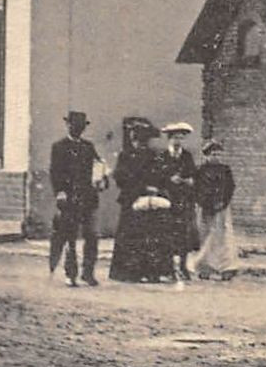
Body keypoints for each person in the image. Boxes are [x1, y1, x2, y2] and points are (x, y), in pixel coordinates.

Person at [108, 118, 174, 283]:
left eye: (142, 140)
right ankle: (128, 272)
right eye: (137, 139)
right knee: (130, 236)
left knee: (149, 236)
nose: (139, 143)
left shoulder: (153, 155)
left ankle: (149, 271)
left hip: (148, 201)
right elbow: (120, 177)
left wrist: (155, 187)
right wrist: (141, 188)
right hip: (131, 199)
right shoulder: (125, 155)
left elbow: (160, 176)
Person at [48, 111, 107, 287]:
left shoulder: (88, 147)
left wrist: (102, 180)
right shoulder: (59, 147)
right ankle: (70, 274)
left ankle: (88, 273)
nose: (78, 129)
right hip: (69, 199)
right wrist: (60, 192)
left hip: (88, 198)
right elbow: (55, 172)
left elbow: (99, 168)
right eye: (74, 126)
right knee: (70, 237)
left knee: (92, 236)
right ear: (68, 126)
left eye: (81, 127)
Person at [192, 139, 239, 280]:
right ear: (206, 155)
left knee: (223, 237)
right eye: (213, 154)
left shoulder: (225, 170)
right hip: (205, 208)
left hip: (222, 208)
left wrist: (223, 203)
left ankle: (226, 267)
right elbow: (196, 189)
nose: (216, 157)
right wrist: (204, 203)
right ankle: (204, 267)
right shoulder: (200, 170)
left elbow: (230, 187)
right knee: (206, 236)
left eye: (218, 154)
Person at [158, 122, 199, 281]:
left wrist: (188, 180)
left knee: (184, 235)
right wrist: (169, 179)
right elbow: (157, 176)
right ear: (169, 139)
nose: (178, 141)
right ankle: (168, 268)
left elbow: (193, 175)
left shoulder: (187, 156)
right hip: (168, 199)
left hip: (183, 199)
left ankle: (183, 266)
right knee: (167, 233)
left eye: (181, 138)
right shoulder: (162, 156)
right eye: (175, 138)